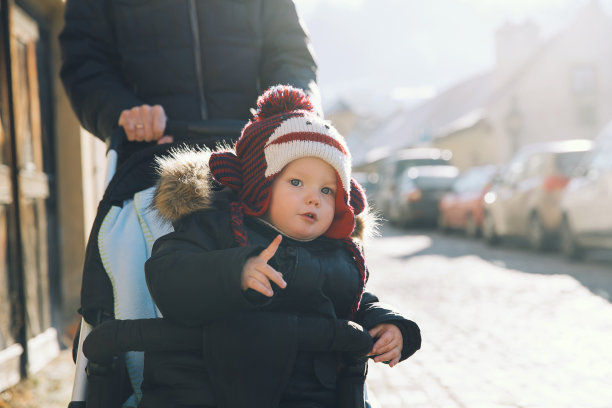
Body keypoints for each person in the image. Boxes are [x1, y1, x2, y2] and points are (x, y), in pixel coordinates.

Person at [141, 85, 421, 408]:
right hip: (215, 390)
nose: (314, 197)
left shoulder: (339, 254)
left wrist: (387, 324)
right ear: (261, 185)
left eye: (328, 190)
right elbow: (168, 275)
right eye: (296, 182)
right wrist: (235, 271)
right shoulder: (217, 227)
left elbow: (353, 301)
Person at [58, 0, 321, 161]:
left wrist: (291, 110)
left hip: (257, 157)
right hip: (152, 161)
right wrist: (121, 111)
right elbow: (85, 59)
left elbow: (290, 54)